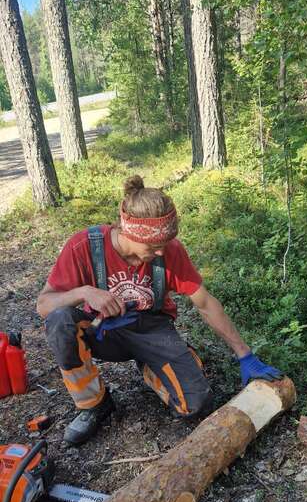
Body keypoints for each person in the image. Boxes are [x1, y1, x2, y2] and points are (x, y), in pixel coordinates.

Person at [37, 175, 282, 445]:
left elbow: (205, 303)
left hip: (152, 330)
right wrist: (83, 292)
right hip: (101, 331)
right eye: (153, 247)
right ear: (128, 231)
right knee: (60, 321)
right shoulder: (84, 246)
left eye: (165, 245)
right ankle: (93, 404)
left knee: (196, 405)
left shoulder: (170, 251)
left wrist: (245, 356)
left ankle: (155, 365)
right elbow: (44, 304)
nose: (161, 253)